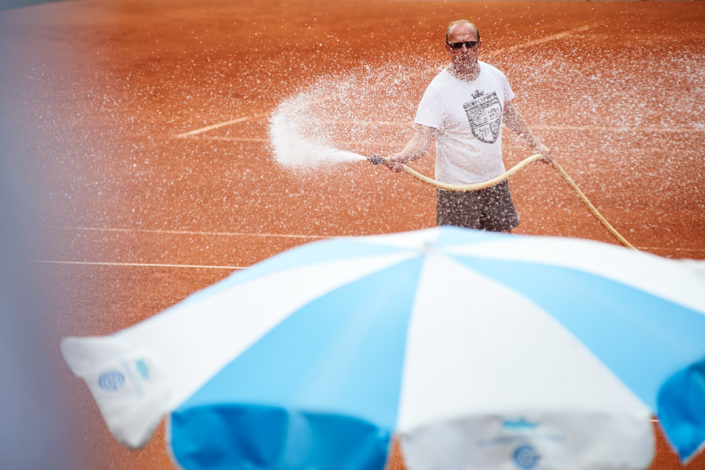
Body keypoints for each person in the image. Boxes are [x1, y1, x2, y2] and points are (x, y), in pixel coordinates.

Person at [385, 19, 552, 232]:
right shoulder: (438, 91)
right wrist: (403, 156)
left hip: (495, 180)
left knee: (504, 241)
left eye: (470, 44)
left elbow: (510, 114)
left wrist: (536, 145)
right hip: (457, 189)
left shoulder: (495, 76)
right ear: (448, 49)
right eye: (457, 46)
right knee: (458, 250)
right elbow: (422, 138)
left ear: (479, 45)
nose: (464, 50)